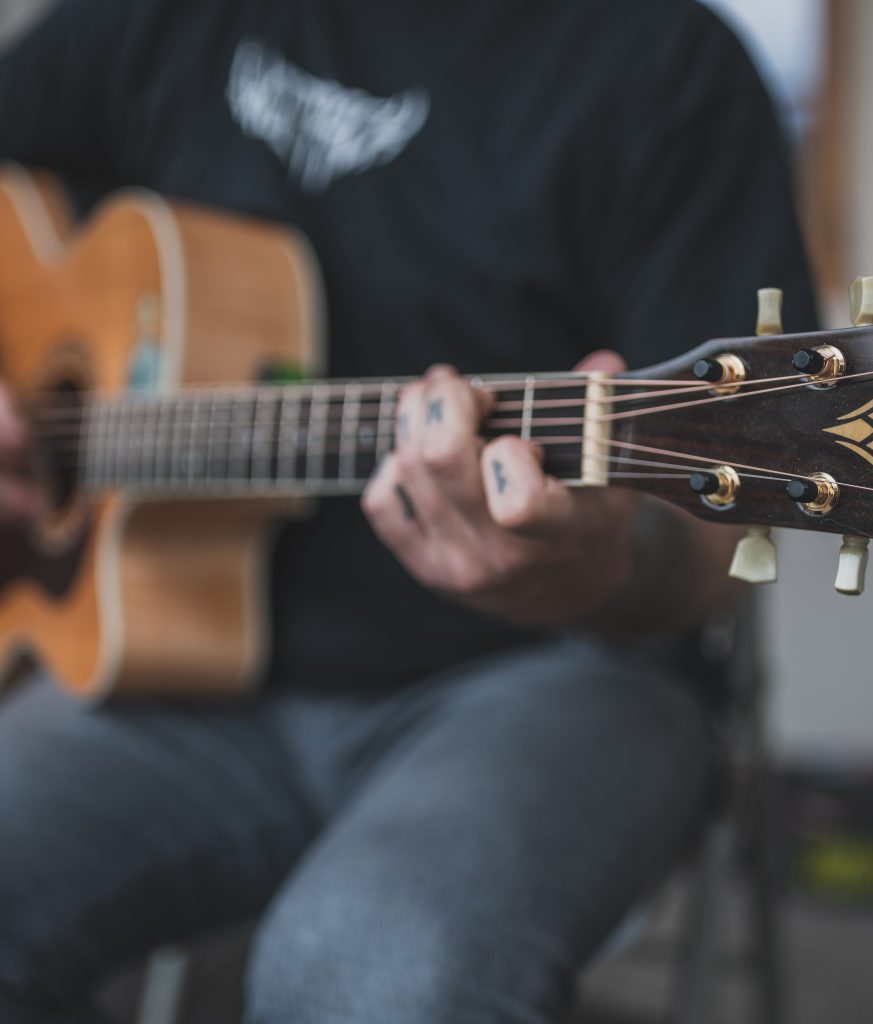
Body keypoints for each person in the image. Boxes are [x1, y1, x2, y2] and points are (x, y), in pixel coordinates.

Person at [0, 1, 818, 1022]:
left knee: (373, 971)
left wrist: (593, 568)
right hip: (181, 664)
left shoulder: (667, 61)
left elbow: (722, 529)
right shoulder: (157, 17)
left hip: (551, 677)